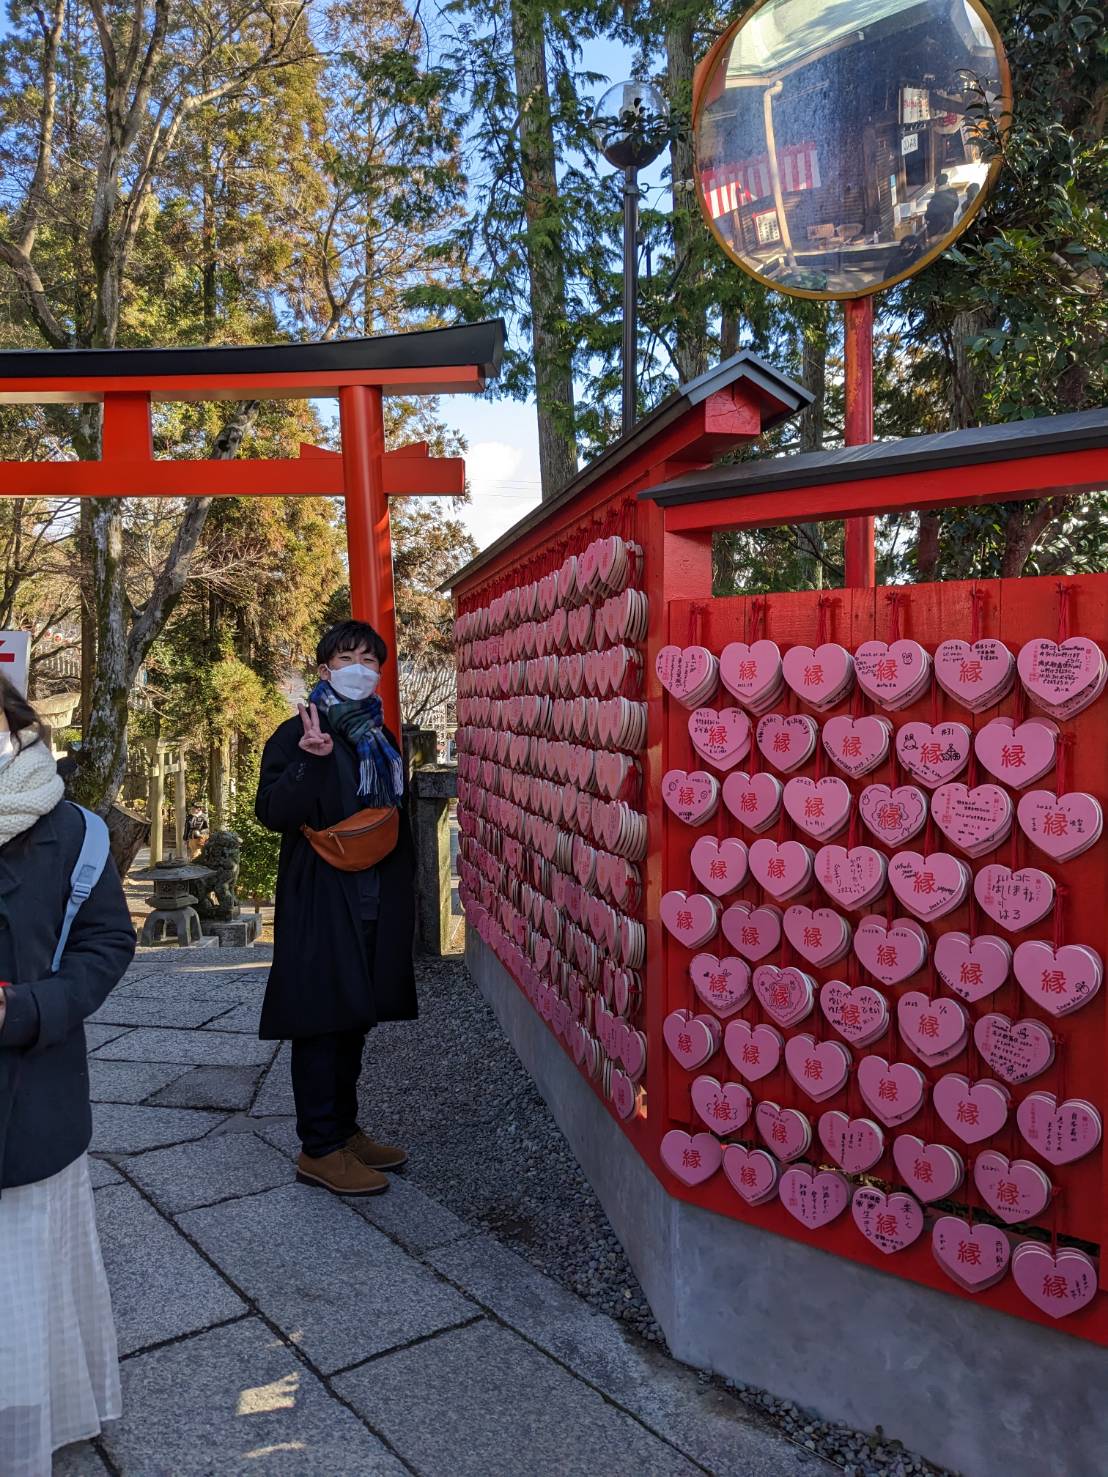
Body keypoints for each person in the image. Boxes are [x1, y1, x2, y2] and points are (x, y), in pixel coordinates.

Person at [0, 674, 135, 1474]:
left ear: (17, 724)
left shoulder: (76, 832)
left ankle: (25, 1413)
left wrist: (29, 1011)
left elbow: (105, 945)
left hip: (31, 1090)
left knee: (22, 1271)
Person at [256, 620, 416, 1197]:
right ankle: (318, 1147)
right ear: (325, 668)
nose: (359, 668)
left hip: (372, 894)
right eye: (346, 657)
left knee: (355, 1013)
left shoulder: (379, 735)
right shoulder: (299, 730)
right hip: (322, 894)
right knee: (322, 1019)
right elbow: (273, 812)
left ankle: (344, 1130)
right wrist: (311, 759)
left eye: (369, 660)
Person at [924, 172, 960, 241]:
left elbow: (927, 216)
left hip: (937, 231)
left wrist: (929, 206)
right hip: (949, 226)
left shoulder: (936, 199)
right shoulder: (953, 193)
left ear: (937, 185)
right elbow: (955, 206)